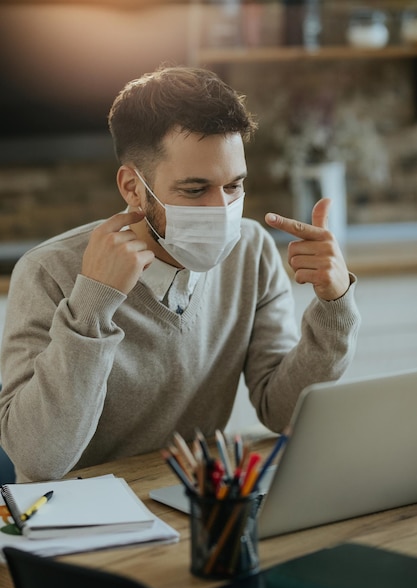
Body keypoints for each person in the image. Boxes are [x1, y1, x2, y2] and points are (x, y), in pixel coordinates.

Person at [0, 65, 360, 483]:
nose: (220, 210)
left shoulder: (251, 250)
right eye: (194, 190)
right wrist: (93, 304)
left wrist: (334, 305)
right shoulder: (49, 271)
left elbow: (281, 411)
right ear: (133, 189)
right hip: (79, 520)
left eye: (234, 186)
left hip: (197, 500)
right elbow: (39, 458)